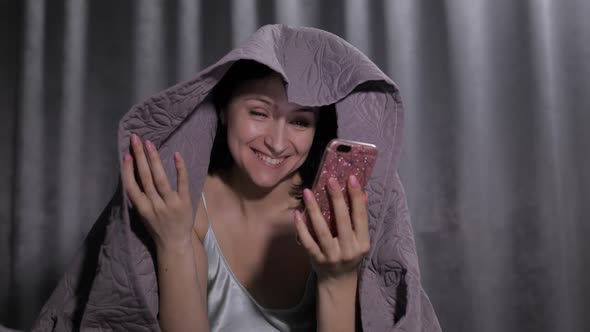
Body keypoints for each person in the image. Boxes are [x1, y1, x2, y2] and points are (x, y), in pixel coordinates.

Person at [33, 25, 441, 331]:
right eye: (259, 113)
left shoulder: (334, 215)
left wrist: (339, 277)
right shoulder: (185, 205)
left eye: (300, 121)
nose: (278, 142)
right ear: (224, 109)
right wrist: (174, 242)